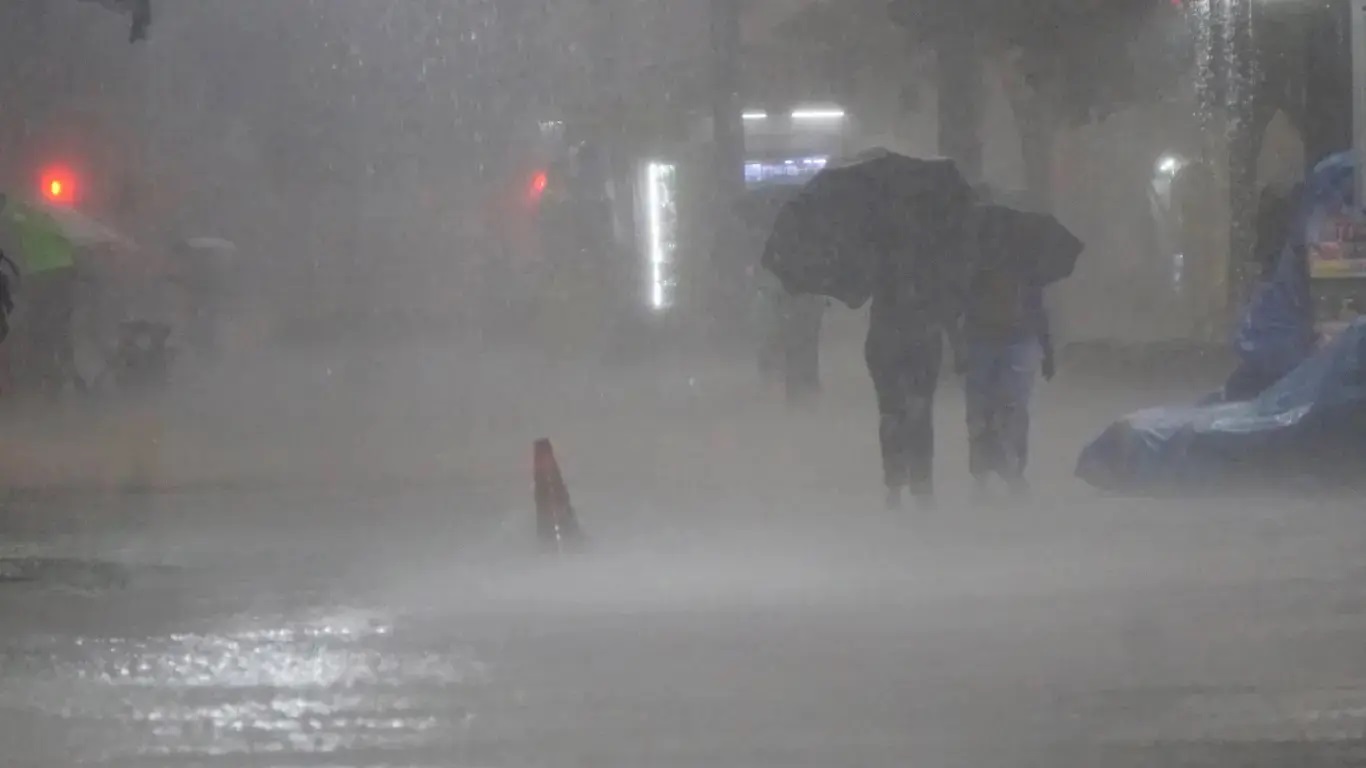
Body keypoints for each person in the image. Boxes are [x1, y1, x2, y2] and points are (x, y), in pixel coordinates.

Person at [959, 258, 1055, 496]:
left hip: (1006, 337)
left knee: (1005, 411)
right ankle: (992, 476)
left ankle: (1006, 475)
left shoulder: (1020, 256)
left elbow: (1035, 300)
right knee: (991, 411)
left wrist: (1046, 346)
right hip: (990, 338)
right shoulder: (977, 251)